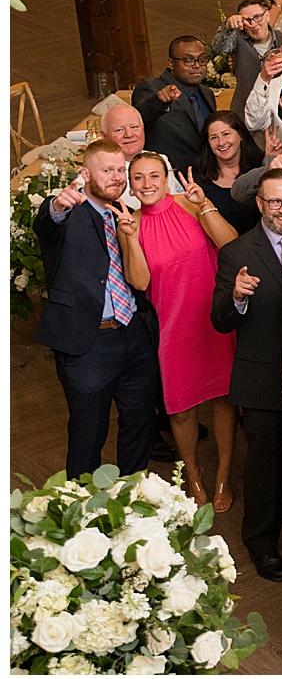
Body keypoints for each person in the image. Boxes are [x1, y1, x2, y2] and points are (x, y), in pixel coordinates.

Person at [210, 170, 282, 581]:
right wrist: (236, 297)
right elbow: (219, 321)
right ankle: (262, 543)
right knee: (265, 467)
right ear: (259, 204)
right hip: (262, 378)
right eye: (275, 202)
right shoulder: (237, 252)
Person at [37, 139, 160, 478]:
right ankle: (81, 514)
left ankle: (134, 499)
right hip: (87, 342)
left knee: (139, 427)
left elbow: (139, 278)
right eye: (107, 170)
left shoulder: (124, 214)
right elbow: (47, 222)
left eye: (121, 170)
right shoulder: (68, 212)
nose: (117, 177)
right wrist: (58, 206)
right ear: (85, 173)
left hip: (134, 336)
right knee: (88, 435)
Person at [124, 154, 238, 507]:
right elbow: (140, 281)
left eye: (154, 176)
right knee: (181, 409)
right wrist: (129, 238)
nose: (147, 184)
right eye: (139, 178)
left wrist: (204, 205)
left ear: (166, 178)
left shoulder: (188, 204)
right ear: (130, 184)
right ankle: (193, 473)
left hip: (212, 319)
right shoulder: (131, 222)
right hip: (173, 329)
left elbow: (231, 244)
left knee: (223, 399)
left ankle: (223, 474)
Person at [131, 36, 218, 176]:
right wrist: (159, 101)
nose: (196, 65)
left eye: (201, 59)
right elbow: (138, 117)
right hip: (170, 177)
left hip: (207, 175)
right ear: (171, 63)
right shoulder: (151, 88)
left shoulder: (207, 94)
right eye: (188, 60)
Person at [196, 111, 263, 234]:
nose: (221, 142)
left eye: (226, 134)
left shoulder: (260, 167)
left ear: (241, 135)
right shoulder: (200, 178)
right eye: (214, 138)